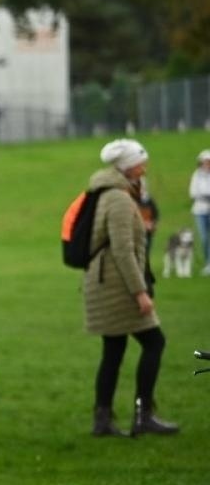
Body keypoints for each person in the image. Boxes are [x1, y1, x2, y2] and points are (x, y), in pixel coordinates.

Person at [84, 140, 178, 438]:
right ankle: (143, 415)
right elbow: (123, 251)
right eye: (141, 163)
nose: (145, 168)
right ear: (127, 167)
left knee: (113, 350)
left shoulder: (106, 193)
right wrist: (140, 292)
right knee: (154, 342)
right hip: (117, 286)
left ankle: (102, 420)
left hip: (104, 282)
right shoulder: (120, 199)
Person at [190, 149, 210, 275]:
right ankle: (208, 262)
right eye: (205, 162)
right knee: (204, 238)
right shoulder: (196, 175)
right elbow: (193, 193)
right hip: (200, 210)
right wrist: (205, 196)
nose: (207, 164)